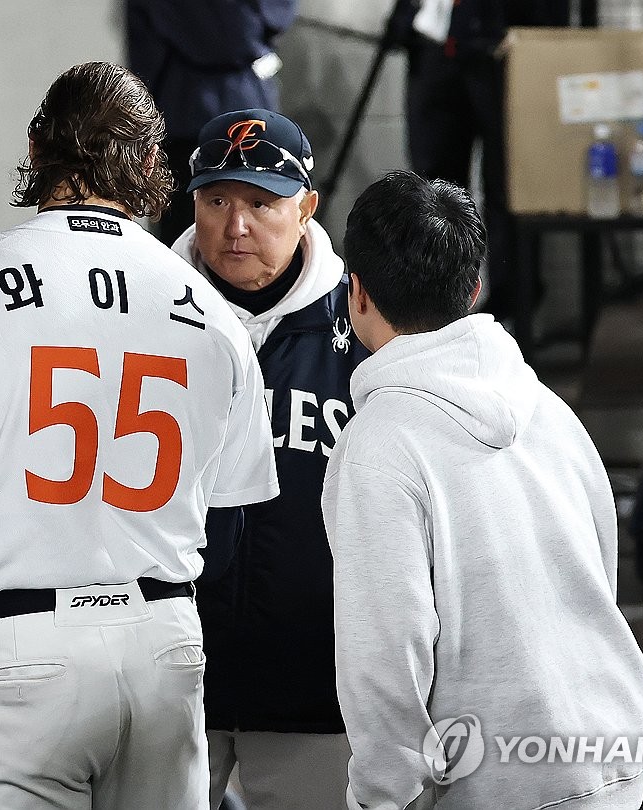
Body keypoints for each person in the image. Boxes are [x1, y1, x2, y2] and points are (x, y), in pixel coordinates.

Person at [0, 61, 280, 810]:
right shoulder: (216, 318)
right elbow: (230, 536)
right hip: (164, 647)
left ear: (37, 148)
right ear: (149, 164)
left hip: (16, 652)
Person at [323, 170, 643, 808]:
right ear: (476, 288)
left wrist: (383, 794)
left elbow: (385, 652)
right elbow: (598, 579)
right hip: (608, 751)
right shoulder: (550, 409)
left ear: (356, 294)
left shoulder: (380, 446)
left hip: (496, 777)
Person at [173, 108, 368, 810]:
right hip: (171, 674)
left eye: (261, 202)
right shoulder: (144, 318)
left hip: (312, 677)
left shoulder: (362, 325)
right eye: (217, 200)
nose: (235, 226)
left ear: (308, 207)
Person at [390, 0, 569, 319]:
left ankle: (512, 306)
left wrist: (537, 35)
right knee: (433, 191)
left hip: (500, 47)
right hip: (432, 48)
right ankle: (439, 305)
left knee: (508, 184)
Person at [127, 0, 298, 246]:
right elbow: (229, 33)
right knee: (190, 244)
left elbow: (238, 30)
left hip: (237, 119)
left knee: (246, 239)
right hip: (186, 119)